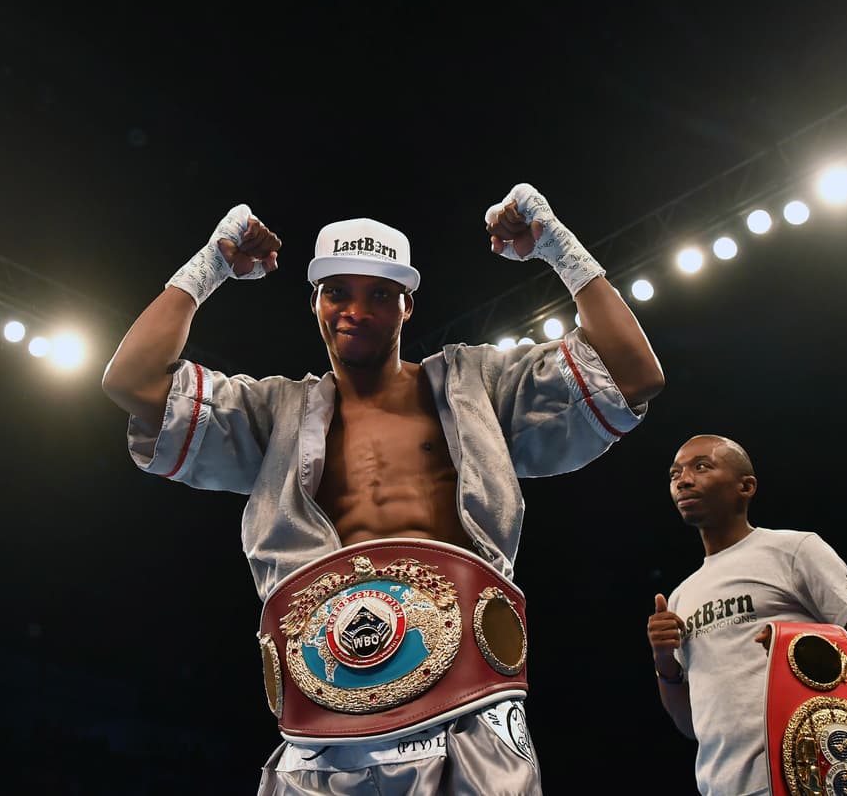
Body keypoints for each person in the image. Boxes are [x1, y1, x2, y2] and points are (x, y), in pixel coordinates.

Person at [102, 182, 664, 794]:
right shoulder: (274, 414)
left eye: (380, 295)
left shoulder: (478, 386)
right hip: (321, 715)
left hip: (468, 703)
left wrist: (558, 247)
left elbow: (633, 375)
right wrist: (210, 264)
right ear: (315, 301)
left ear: (408, 306)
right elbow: (131, 382)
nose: (356, 311)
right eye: (338, 292)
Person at [647, 434, 847, 796]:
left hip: (812, 779)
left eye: (702, 466)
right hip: (721, 786)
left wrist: (808, 645)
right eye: (674, 473)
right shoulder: (679, 597)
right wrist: (664, 661)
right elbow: (690, 725)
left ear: (746, 486)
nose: (683, 480)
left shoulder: (793, 550)